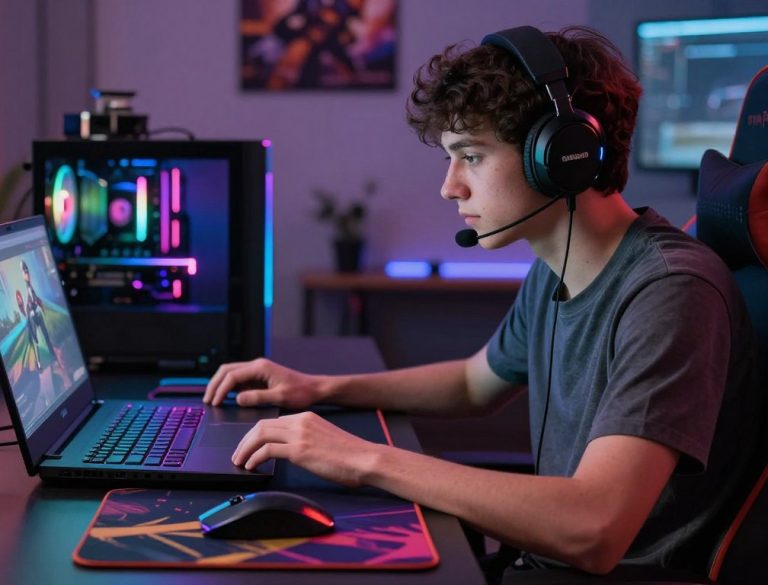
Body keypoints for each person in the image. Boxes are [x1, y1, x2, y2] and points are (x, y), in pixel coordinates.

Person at [203, 25, 762, 580]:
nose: (450, 186)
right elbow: (476, 382)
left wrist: (363, 459)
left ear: (564, 155)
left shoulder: (670, 290)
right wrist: (319, 389)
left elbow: (595, 528)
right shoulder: (556, 268)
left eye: (471, 155)